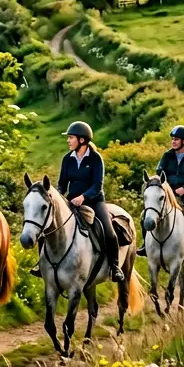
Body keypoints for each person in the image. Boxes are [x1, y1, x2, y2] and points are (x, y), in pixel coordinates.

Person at [32, 121, 124, 283]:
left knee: (109, 232)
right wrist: (58, 197)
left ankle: (115, 267)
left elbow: (97, 185)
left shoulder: (96, 159)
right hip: (71, 202)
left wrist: (83, 197)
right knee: (46, 229)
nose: (68, 141)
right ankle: (42, 264)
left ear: (82, 140)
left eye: (71, 138)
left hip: (94, 201)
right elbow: (62, 183)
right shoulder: (67, 159)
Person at [137, 125, 184, 257]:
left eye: (176, 139)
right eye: (172, 139)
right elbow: (159, 174)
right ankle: (145, 246)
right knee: (144, 215)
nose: (173, 142)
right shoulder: (167, 156)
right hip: (167, 195)